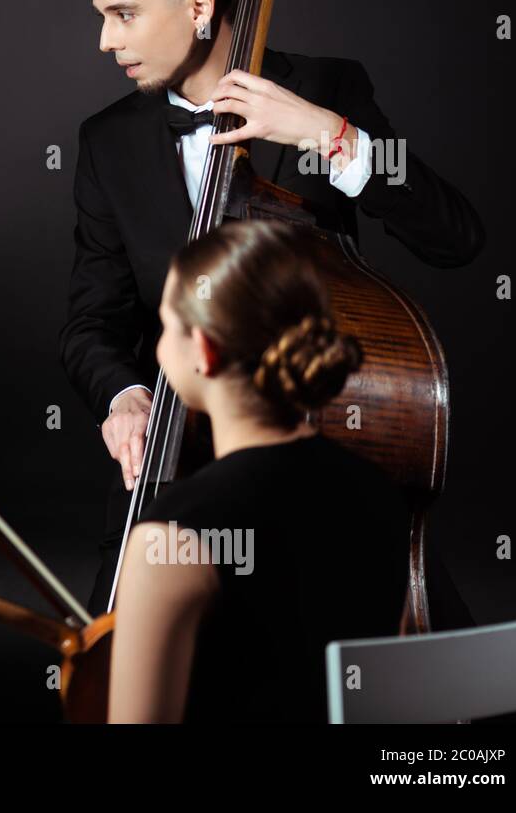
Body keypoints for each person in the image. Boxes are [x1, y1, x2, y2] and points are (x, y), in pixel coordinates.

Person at [59, 0, 484, 615]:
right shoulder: (108, 141)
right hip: (173, 468)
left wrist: (330, 134)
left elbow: (455, 235)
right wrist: (123, 394)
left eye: (123, 14)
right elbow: (90, 323)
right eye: (103, 15)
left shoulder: (328, 89)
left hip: (329, 458)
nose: (105, 40)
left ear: (200, 4)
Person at [107, 218, 407, 723]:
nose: (158, 348)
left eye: (165, 327)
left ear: (202, 351)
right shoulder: (381, 492)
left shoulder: (171, 537)